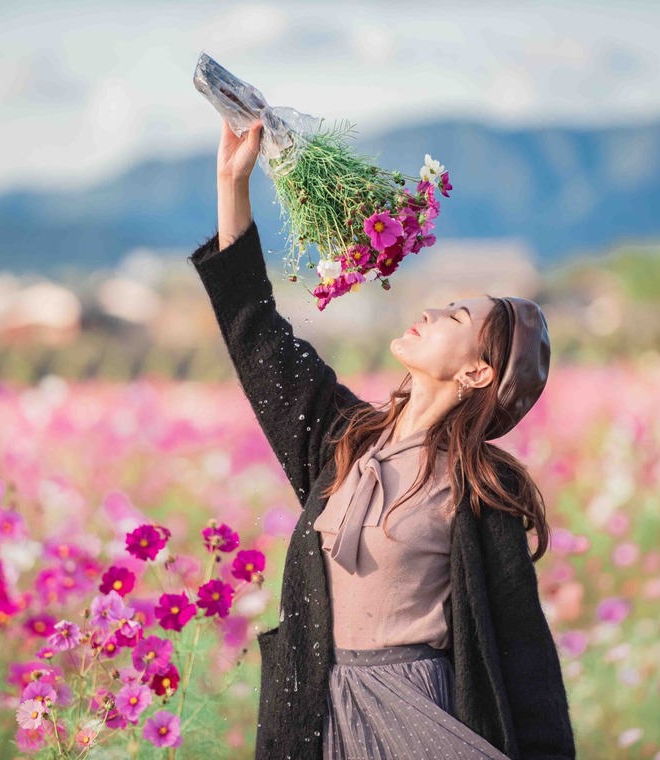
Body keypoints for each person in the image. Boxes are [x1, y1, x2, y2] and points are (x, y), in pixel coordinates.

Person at [187, 118, 575, 760]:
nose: (426, 313)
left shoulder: (481, 486)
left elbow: (522, 659)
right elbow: (257, 336)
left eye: (454, 317)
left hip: (418, 713)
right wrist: (234, 185)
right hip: (316, 708)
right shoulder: (343, 440)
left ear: (478, 372)